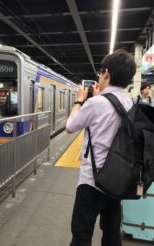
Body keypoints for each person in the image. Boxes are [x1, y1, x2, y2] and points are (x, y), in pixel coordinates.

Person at [66, 50, 137, 246]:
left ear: (106, 73)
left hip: (92, 181)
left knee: (81, 232)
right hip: (117, 181)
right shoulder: (130, 103)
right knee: (112, 231)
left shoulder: (95, 103)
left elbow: (70, 127)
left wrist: (80, 100)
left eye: (100, 72)